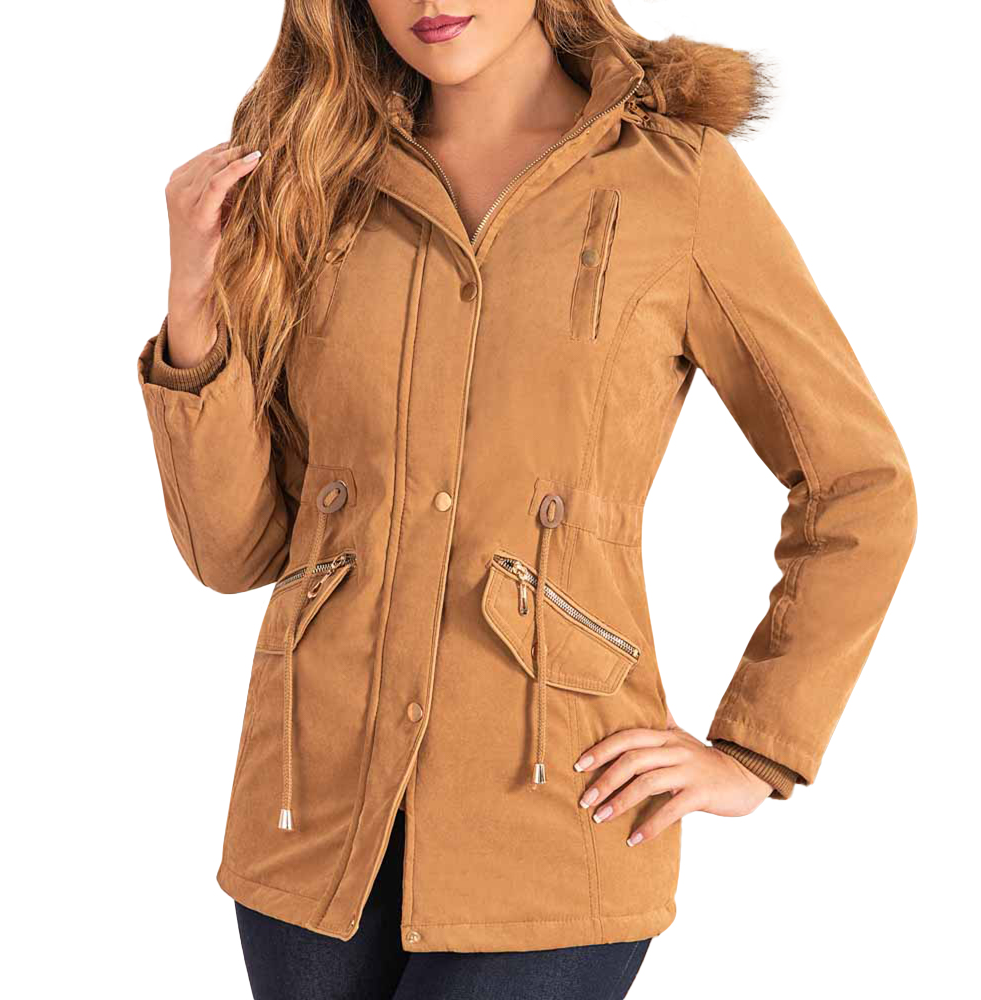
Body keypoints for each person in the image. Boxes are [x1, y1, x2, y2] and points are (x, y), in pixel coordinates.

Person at [136, 3, 917, 998]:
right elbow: (236, 552)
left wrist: (756, 750)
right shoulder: (317, 184)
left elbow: (858, 483)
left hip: (555, 813)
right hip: (308, 820)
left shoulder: (675, 181)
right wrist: (195, 311)